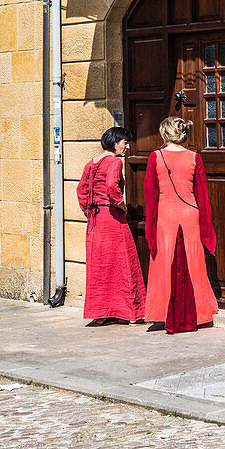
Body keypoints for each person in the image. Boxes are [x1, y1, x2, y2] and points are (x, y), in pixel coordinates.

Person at [144, 116, 218, 334]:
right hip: (190, 214)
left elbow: (150, 194)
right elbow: (202, 194)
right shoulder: (195, 157)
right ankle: (200, 312)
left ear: (165, 134)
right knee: (193, 261)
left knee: (164, 263)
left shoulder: (155, 157)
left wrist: (150, 224)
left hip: (166, 214)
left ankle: (162, 312)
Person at [76, 126, 146, 324]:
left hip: (96, 221)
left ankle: (101, 315)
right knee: (124, 263)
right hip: (112, 218)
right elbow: (112, 187)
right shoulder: (114, 162)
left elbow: (80, 190)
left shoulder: (91, 163)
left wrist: (89, 212)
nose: (127, 146)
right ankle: (131, 313)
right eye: (124, 142)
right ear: (115, 142)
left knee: (100, 266)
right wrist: (121, 205)